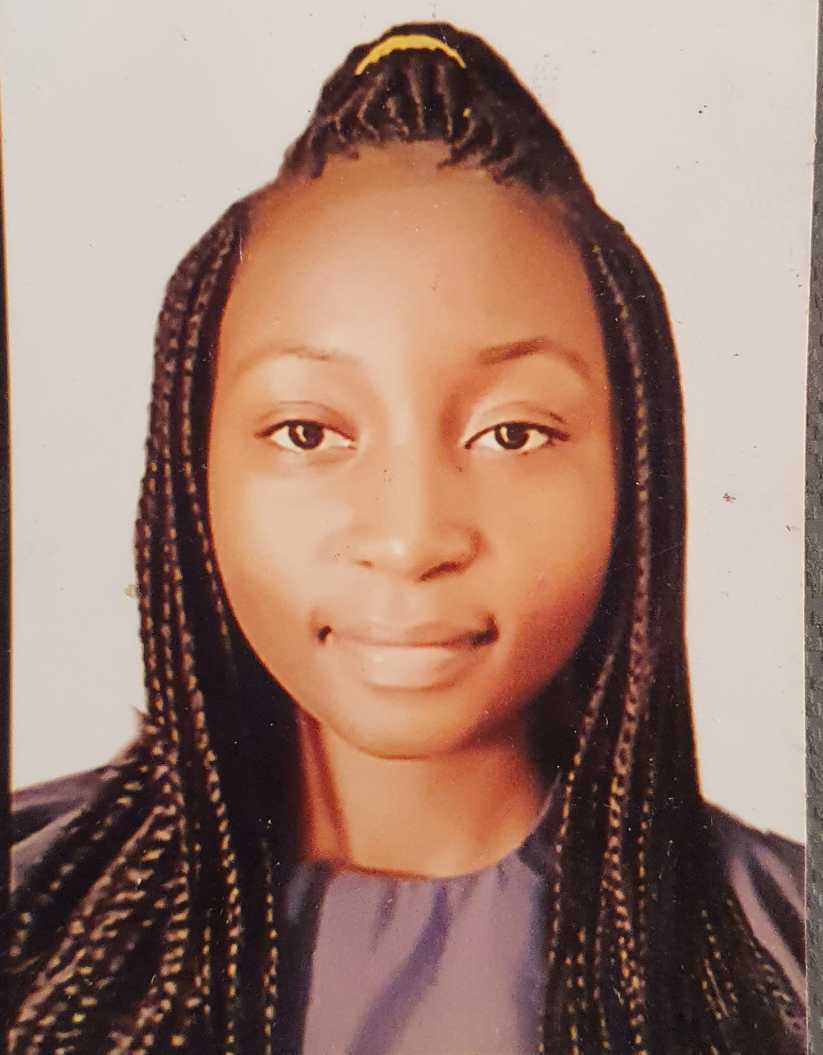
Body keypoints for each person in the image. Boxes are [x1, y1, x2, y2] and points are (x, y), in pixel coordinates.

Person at [7, 22, 805, 1055]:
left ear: (635, 469)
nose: (410, 537)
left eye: (512, 432)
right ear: (189, 475)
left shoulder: (780, 955)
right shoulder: (34, 919)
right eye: (307, 431)